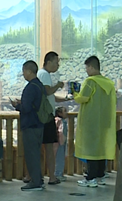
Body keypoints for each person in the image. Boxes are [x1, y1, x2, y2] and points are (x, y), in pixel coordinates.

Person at [73, 56, 117, 188]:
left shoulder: (90, 81)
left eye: (87, 68)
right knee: (101, 149)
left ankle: (90, 178)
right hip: (104, 122)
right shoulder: (109, 84)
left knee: (91, 150)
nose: (86, 71)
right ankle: (100, 176)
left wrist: (74, 93)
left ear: (91, 67)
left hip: (90, 122)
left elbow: (83, 98)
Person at [10, 60, 47, 191]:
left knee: (31, 154)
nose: (23, 74)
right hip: (39, 124)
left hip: (30, 124)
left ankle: (35, 182)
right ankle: (38, 179)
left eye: (24, 71)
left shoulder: (30, 87)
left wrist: (17, 106)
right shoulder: (39, 85)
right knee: (36, 153)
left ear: (29, 71)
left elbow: (26, 108)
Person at [38, 52, 67, 185]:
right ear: (48, 62)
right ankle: (51, 176)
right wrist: (58, 85)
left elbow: (51, 96)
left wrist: (66, 99)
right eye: (56, 62)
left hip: (46, 116)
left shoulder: (44, 75)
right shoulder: (44, 74)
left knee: (43, 147)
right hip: (46, 116)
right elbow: (48, 91)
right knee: (48, 148)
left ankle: (41, 175)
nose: (58, 65)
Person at [53, 106, 69, 184]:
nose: (66, 113)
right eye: (64, 111)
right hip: (60, 143)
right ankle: (58, 174)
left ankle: (59, 173)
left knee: (60, 158)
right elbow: (60, 132)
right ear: (59, 113)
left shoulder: (60, 120)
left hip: (60, 142)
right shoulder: (60, 121)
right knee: (59, 158)